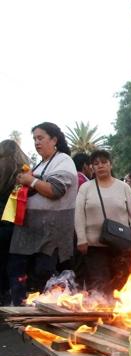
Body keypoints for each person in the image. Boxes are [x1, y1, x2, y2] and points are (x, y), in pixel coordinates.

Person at [10, 122, 78, 305]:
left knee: (43, 281)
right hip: (29, 235)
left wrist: (30, 181)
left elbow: (55, 190)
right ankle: (24, 318)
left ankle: (42, 324)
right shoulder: (40, 164)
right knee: (23, 280)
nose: (36, 143)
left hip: (51, 235)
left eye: (40, 138)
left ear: (54, 139)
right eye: (34, 139)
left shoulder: (63, 160)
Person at [74, 150, 131, 294]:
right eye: (96, 164)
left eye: (104, 162)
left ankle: (117, 315)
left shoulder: (124, 187)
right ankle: (100, 314)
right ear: (92, 167)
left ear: (110, 165)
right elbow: (79, 214)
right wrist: (81, 239)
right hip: (94, 245)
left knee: (120, 283)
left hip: (120, 244)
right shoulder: (86, 188)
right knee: (99, 284)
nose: (100, 166)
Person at [0, 140, 29, 305]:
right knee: (15, 270)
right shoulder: (24, 173)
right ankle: (16, 304)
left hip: (2, 227)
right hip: (18, 228)